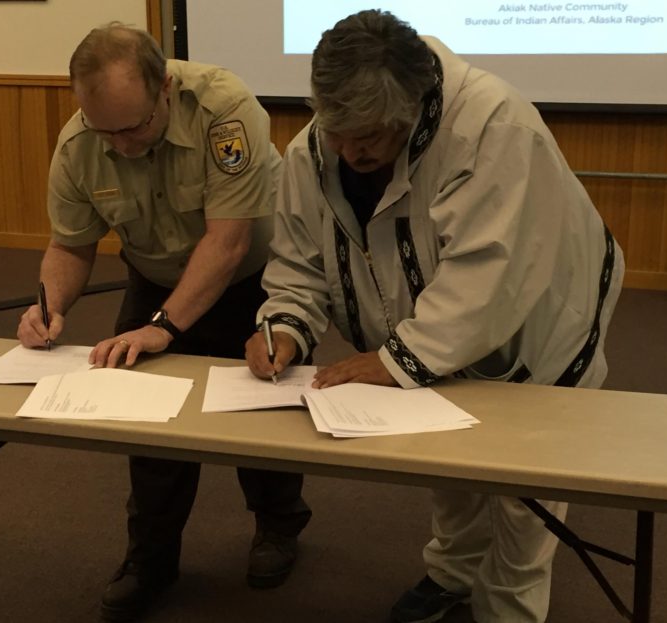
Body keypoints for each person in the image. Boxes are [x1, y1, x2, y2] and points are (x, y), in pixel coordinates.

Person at [245, 10, 624, 623]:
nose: (346, 149)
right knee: (448, 459)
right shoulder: (317, 147)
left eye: (366, 136)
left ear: (415, 107)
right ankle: (452, 575)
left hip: (536, 322)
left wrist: (395, 360)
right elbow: (298, 257)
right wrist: (283, 325)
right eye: (335, 129)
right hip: (430, 328)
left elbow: (489, 278)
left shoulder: (495, 127)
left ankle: (509, 608)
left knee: (526, 487)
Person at [17, 23, 311, 622]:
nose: (121, 145)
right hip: (155, 276)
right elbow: (70, 246)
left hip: (249, 275)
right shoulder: (80, 141)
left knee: (262, 411)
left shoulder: (225, 111)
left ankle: (278, 528)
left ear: (166, 90)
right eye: (106, 130)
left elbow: (227, 242)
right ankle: (150, 558)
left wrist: (163, 328)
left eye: (134, 127)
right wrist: (49, 307)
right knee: (143, 417)